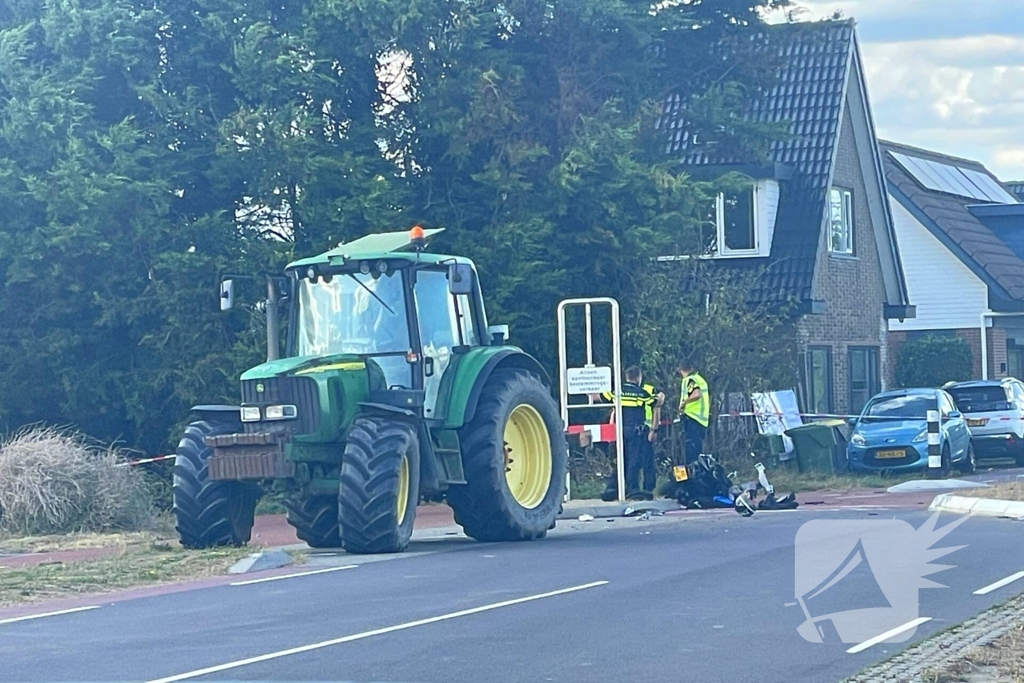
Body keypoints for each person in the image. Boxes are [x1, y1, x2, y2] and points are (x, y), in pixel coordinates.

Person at [592, 366, 662, 502]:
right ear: (638, 377)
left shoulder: (617, 392)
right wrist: (659, 397)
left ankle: (614, 488)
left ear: (627, 377)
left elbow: (597, 397)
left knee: (620, 459)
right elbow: (656, 402)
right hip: (636, 432)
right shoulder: (641, 393)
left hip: (620, 431)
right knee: (633, 462)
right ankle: (632, 489)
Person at [678, 361, 710, 465]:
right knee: (697, 451)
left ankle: (693, 477)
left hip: (693, 418)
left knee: (691, 453)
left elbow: (697, 394)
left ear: (681, 370)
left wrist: (684, 403)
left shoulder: (689, 379)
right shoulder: (700, 379)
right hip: (701, 420)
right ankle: (699, 475)